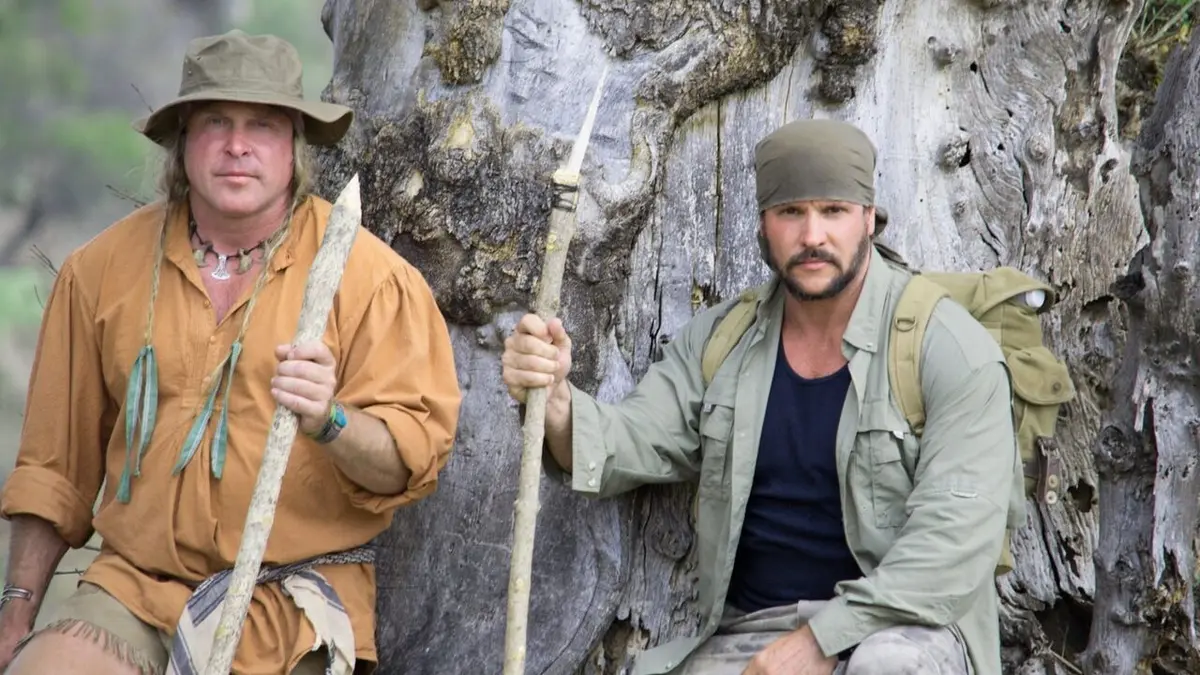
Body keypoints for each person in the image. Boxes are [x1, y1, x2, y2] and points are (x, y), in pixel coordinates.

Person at [0, 29, 461, 675]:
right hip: (134, 589)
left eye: (262, 125)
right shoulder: (100, 270)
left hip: (287, 604)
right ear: (183, 138)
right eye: (216, 121)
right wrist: (17, 607)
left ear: (294, 145)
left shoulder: (373, 280)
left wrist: (330, 419)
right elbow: (54, 471)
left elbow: (405, 466)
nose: (237, 145)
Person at [501, 118, 1020, 675]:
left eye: (834, 211)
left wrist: (819, 641)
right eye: (791, 212)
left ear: (869, 218)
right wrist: (555, 399)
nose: (813, 236)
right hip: (755, 633)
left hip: (908, 629)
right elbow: (625, 444)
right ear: (764, 226)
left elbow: (953, 543)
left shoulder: (948, 347)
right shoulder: (725, 341)